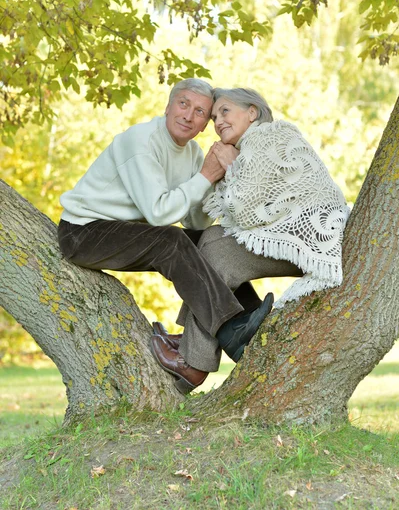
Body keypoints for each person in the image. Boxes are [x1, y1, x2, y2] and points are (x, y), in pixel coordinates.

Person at [58, 79, 273, 395]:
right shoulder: (141, 141)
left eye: (200, 112)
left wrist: (216, 178)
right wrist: (205, 176)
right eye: (183, 104)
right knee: (170, 242)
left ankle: (251, 323)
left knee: (209, 238)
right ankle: (231, 331)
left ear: (204, 126)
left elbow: (195, 219)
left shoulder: (191, 153)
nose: (189, 115)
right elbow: (159, 213)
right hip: (84, 232)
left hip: (126, 231)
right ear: (168, 106)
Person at [151, 87, 350, 379]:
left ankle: (193, 362)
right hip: (293, 241)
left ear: (252, 113)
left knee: (215, 248)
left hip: (314, 242)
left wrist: (230, 167)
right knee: (211, 243)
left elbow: (244, 213)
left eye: (226, 111)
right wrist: (211, 172)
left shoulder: (271, 138)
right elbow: (201, 220)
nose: (218, 121)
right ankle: (224, 336)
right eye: (215, 116)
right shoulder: (247, 149)